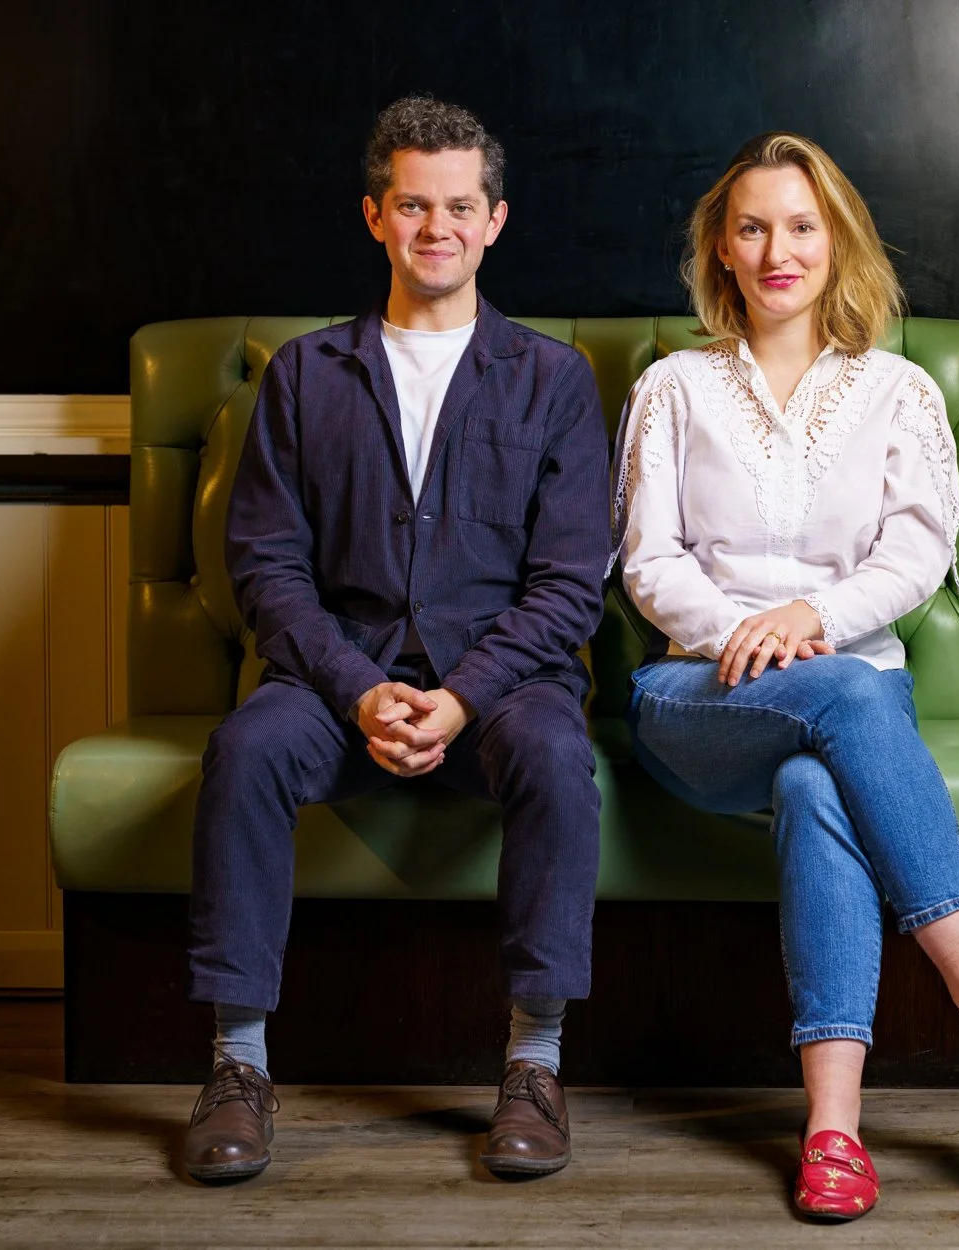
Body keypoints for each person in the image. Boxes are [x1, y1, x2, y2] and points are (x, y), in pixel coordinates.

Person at [612, 132, 959, 1221]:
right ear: (720, 251)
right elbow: (649, 561)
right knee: (856, 693)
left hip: (846, 697)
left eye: (802, 225)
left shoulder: (900, 392)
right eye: (752, 227)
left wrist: (813, 616)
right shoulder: (673, 387)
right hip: (699, 698)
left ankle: (833, 1133)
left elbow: (915, 556)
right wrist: (754, 633)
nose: (778, 249)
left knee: (824, 779)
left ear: (838, 242)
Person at [182, 96, 610, 1184]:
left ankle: (534, 1065)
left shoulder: (554, 380)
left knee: (563, 756)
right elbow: (267, 570)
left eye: (459, 206)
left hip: (504, 691)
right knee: (243, 749)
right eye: (413, 205)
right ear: (375, 215)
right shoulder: (303, 376)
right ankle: (237, 1066)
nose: (437, 227)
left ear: (494, 221)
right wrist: (360, 687)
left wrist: (460, 697)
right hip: (338, 681)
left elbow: (568, 587)